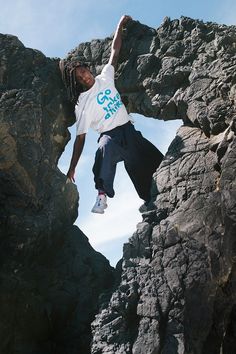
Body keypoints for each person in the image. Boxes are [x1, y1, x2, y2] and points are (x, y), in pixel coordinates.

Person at [60, 15, 163, 214]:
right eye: (80, 77)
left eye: (84, 71)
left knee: (144, 163)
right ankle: (101, 195)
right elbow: (80, 138)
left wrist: (119, 25)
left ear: (88, 69)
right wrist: (73, 167)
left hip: (129, 131)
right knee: (104, 148)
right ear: (77, 82)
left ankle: (148, 199)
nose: (85, 76)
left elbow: (115, 51)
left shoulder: (105, 77)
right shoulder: (82, 103)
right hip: (110, 136)